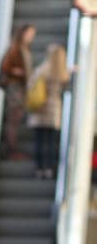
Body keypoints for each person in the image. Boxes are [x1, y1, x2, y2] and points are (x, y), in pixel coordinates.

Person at [28, 43, 74, 179]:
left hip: (39, 109)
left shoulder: (41, 69)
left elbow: (31, 85)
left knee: (39, 141)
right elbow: (67, 89)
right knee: (51, 141)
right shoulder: (62, 72)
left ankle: (38, 168)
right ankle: (49, 168)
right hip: (54, 110)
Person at [0, 22, 35, 160]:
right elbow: (5, 68)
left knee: (16, 118)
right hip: (15, 88)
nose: (31, 37)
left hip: (20, 88)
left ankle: (11, 148)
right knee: (13, 119)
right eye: (29, 34)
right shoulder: (15, 48)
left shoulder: (23, 49)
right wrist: (17, 72)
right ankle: (10, 149)